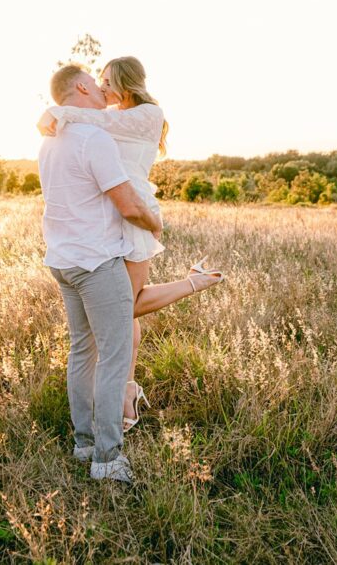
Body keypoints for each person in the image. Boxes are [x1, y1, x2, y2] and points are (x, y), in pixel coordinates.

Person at [38, 56, 224, 433]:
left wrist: (55, 110)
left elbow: (101, 121)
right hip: (109, 219)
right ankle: (125, 389)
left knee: (127, 305)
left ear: (124, 81)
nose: (102, 88)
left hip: (136, 214)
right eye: (98, 81)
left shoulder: (148, 114)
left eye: (107, 81)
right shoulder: (106, 120)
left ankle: (194, 283)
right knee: (120, 308)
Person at [39, 64, 162, 484]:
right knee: (114, 358)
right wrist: (154, 223)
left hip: (63, 260)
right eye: (95, 83)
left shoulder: (51, 141)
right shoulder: (94, 137)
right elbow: (127, 205)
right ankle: (108, 460)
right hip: (96, 263)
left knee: (82, 353)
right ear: (81, 87)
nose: (102, 89)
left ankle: (84, 444)